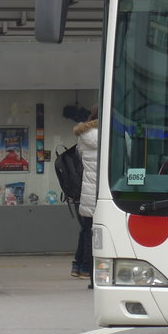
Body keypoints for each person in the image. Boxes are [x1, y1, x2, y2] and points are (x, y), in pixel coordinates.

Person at [72, 107, 100, 284]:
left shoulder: (84, 135)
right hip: (108, 190)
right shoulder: (113, 135)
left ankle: (85, 270)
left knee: (88, 231)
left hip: (88, 190)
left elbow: (79, 157)